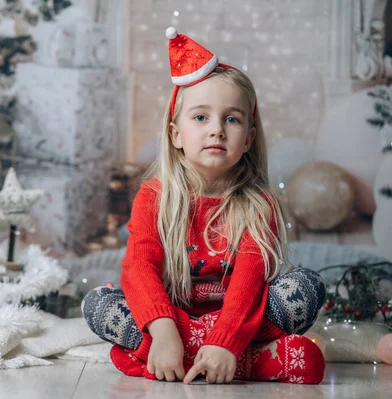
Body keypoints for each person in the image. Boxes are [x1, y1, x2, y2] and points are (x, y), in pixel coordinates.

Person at [82, 28, 326, 385]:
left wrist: (225, 340)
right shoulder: (155, 196)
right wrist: (164, 330)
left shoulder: (259, 205)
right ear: (176, 134)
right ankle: (250, 363)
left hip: (241, 320)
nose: (217, 130)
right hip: (172, 316)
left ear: (249, 139)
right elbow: (139, 267)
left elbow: (248, 283)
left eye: (232, 119)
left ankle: (192, 357)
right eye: (200, 117)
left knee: (306, 287)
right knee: (98, 304)